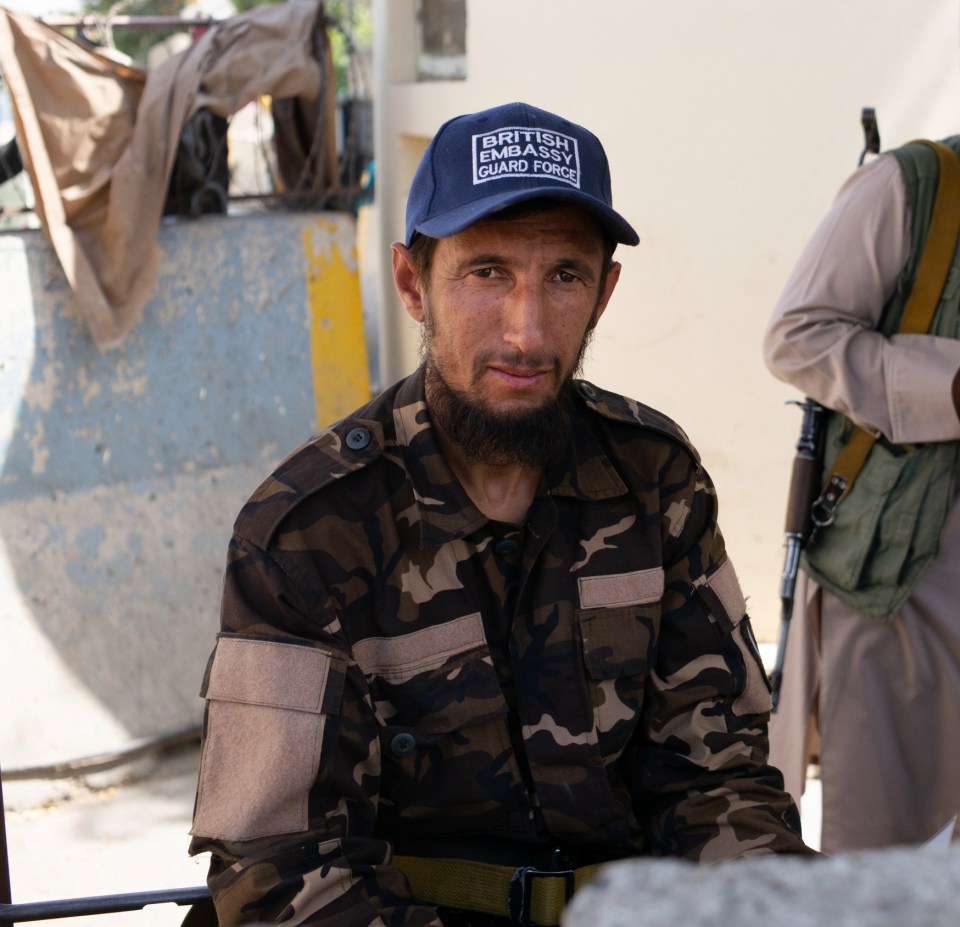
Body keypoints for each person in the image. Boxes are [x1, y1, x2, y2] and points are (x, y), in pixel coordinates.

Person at [188, 101, 813, 927]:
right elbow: (279, 872)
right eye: (487, 273)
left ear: (604, 292)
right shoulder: (306, 532)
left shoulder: (655, 478)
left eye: (564, 276)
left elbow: (721, 781)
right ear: (414, 283)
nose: (526, 330)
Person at [764, 134, 960, 854]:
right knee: (887, 872)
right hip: (897, 586)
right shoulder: (913, 187)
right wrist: (948, 386)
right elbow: (796, 337)